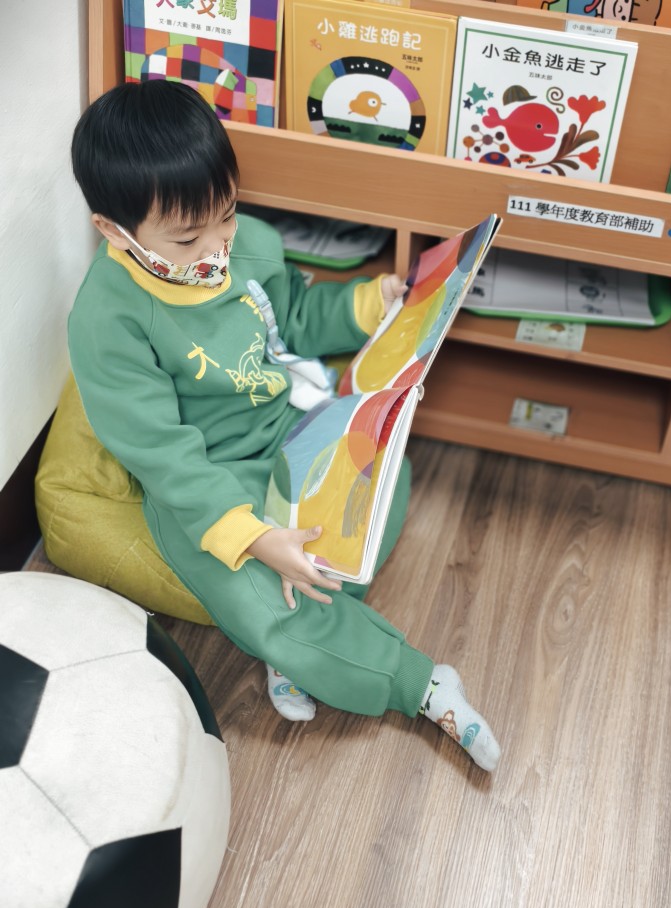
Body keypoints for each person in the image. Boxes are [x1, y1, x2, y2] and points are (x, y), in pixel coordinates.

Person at [67, 79, 500, 772]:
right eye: (187, 238)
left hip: (287, 431)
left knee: (384, 486)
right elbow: (162, 453)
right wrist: (257, 538)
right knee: (265, 602)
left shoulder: (252, 246)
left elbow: (295, 318)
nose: (217, 246)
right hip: (204, 488)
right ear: (114, 231)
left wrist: (376, 301)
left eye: (226, 215)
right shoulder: (107, 319)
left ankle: (294, 650)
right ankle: (420, 685)